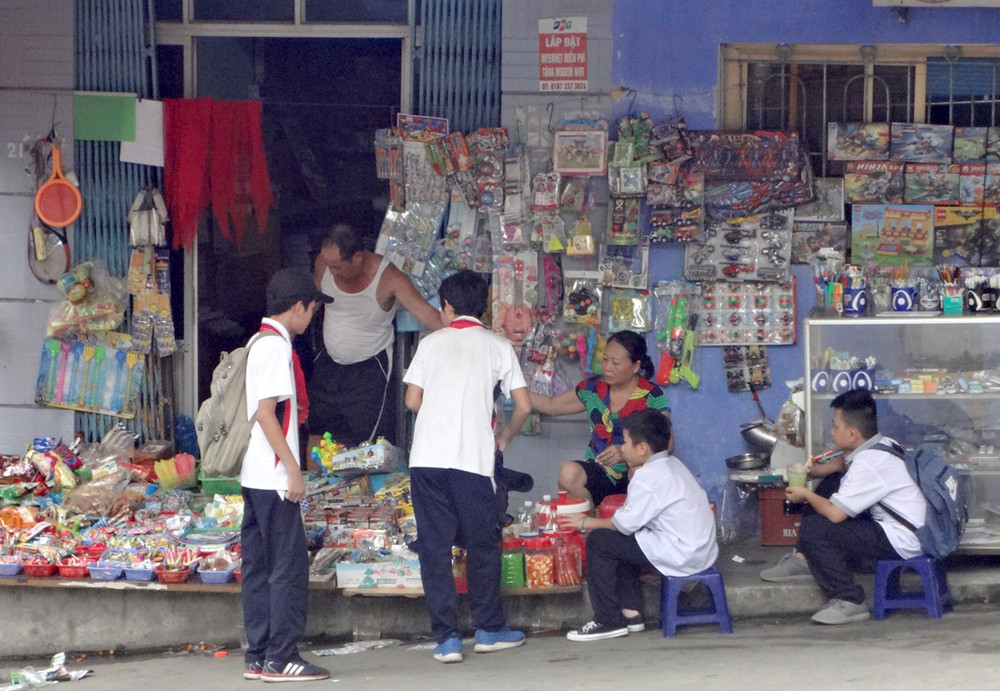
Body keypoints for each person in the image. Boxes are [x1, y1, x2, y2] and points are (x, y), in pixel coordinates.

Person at [403, 269, 532, 664]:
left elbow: (412, 401)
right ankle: (489, 629)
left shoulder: (430, 343)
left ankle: (447, 640)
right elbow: (523, 405)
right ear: (484, 307)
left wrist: (439, 417)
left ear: (447, 306)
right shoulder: (498, 346)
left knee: (434, 548)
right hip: (473, 462)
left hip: (427, 460)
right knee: (482, 545)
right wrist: (503, 438)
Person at [759, 388, 926, 625]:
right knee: (831, 483)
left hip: (902, 540)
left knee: (815, 529)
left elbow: (835, 514)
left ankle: (849, 599)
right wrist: (817, 471)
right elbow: (845, 466)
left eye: (835, 426)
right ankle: (805, 558)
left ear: (852, 433)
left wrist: (805, 493)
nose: (832, 431)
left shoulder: (868, 462)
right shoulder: (881, 443)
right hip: (900, 527)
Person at [240, 268, 333, 682]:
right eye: (313, 309)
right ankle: (282, 657)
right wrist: (294, 469)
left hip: (255, 475)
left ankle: (258, 655)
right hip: (275, 476)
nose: (313, 317)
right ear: (298, 306)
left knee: (259, 569)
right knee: (287, 570)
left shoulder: (257, 343)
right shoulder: (277, 348)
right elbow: (267, 413)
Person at [561, 408, 718, 641]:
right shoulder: (673, 464)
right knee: (627, 541)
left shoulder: (647, 476)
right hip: (702, 550)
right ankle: (632, 614)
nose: (622, 448)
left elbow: (621, 526)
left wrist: (585, 521)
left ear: (642, 448)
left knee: (599, 540)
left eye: (625, 442)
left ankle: (607, 620)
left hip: (682, 553)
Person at [308, 223, 442, 451]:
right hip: (329, 364)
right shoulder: (325, 263)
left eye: (338, 267)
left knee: (368, 444)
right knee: (318, 432)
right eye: (329, 266)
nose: (332, 272)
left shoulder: (389, 277)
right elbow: (312, 301)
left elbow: (428, 315)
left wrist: (466, 335)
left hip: (370, 370)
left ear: (358, 258)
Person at [529, 331, 671, 507]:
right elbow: (551, 405)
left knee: (638, 471)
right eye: (605, 359)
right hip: (600, 471)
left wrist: (624, 453)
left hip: (636, 474)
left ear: (635, 366)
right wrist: (515, 389)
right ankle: (587, 522)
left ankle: (629, 522)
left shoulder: (652, 395)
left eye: (615, 363)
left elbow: (667, 446)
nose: (607, 367)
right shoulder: (593, 388)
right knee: (568, 474)